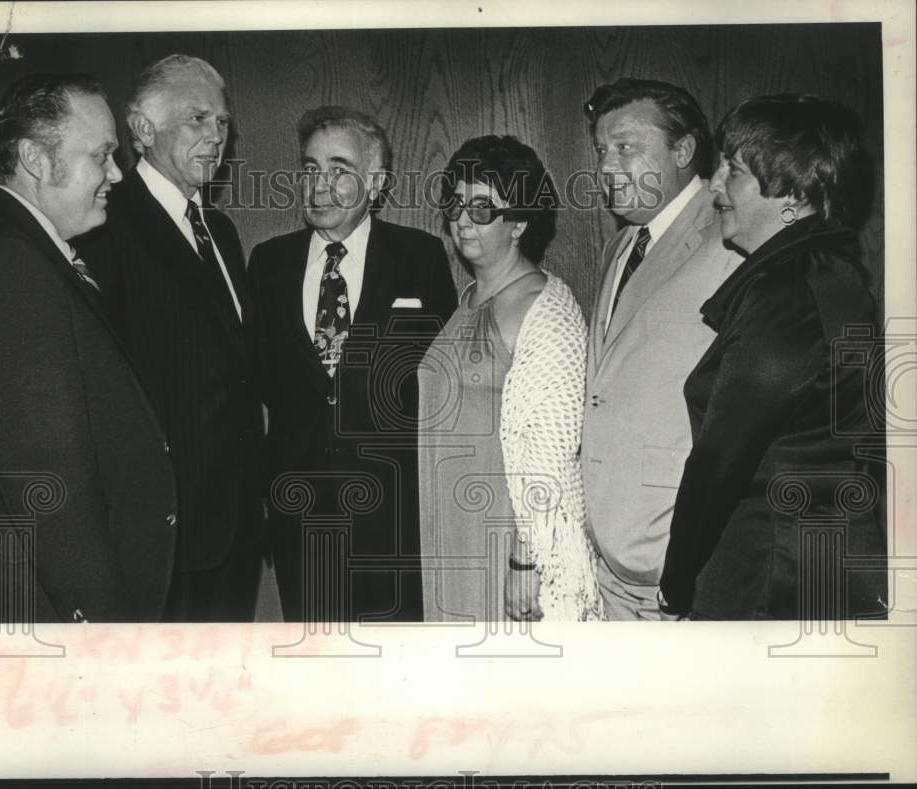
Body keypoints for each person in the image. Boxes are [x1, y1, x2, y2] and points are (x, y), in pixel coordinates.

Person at [0, 73, 177, 623]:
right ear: (35, 159)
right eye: (101, 156)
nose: (116, 175)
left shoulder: (10, 244)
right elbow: (46, 486)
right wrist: (99, 626)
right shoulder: (10, 265)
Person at [658, 94, 887, 620]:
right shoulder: (832, 273)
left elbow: (722, 461)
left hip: (770, 571)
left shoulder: (787, 292)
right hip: (818, 562)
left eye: (732, 171)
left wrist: (675, 582)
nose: (714, 186)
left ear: (791, 193)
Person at [249, 106, 457, 623]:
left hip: (393, 521)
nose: (320, 185)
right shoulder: (268, 263)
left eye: (339, 169)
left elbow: (441, 387)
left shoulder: (421, 258)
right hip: (299, 519)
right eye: (310, 169)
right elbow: (257, 386)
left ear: (376, 182)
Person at [78, 55, 264, 622]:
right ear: (142, 130)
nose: (216, 139)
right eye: (197, 120)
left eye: (223, 124)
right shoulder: (108, 224)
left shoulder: (222, 230)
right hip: (166, 533)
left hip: (236, 527)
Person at [419, 134, 603, 622]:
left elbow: (554, 449)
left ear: (519, 222)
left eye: (482, 209)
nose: (461, 220)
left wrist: (527, 560)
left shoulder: (544, 308)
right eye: (456, 204)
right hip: (450, 528)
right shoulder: (465, 301)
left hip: (505, 538)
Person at [580, 78, 743, 620]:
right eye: (602, 150)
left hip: (676, 550)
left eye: (626, 147)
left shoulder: (732, 239)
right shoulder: (624, 241)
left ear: (683, 150)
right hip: (609, 546)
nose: (606, 165)